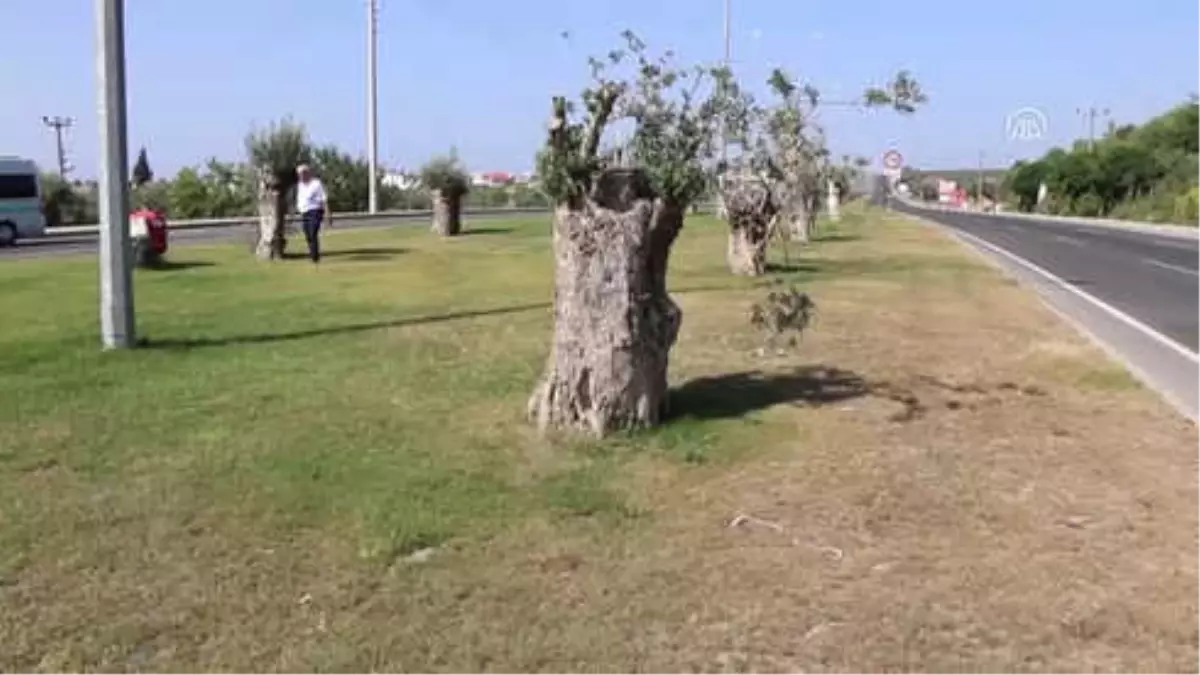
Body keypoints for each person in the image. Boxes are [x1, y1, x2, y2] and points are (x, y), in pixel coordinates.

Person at [295, 164, 331, 263]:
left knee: (312, 232)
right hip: (304, 212)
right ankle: (313, 254)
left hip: (315, 211)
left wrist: (327, 214)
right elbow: (300, 199)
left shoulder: (316, 184)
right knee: (307, 234)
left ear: (307, 173)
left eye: (302, 174)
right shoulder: (300, 185)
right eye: (299, 174)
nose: (300, 176)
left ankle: (314, 257)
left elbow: (324, 199)